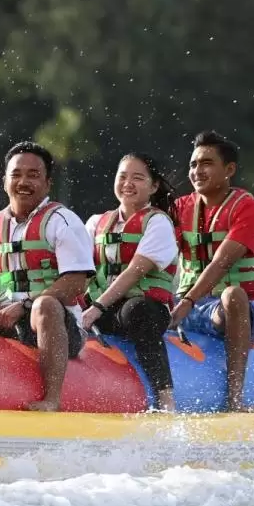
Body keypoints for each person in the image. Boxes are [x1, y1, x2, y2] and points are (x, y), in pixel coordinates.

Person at [0, 142, 93, 412]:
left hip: (56, 324)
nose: (23, 181)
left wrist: (26, 305)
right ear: (4, 181)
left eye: (33, 175)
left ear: (48, 183)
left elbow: (77, 281)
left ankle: (51, 399)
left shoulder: (63, 221)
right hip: (1, 318)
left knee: (45, 305)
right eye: (16, 174)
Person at [169, 130, 254, 412]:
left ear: (229, 169)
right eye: (193, 164)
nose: (197, 171)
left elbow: (221, 262)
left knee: (234, 294)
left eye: (207, 163)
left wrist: (186, 302)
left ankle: (235, 399)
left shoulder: (246, 207)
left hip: (230, 314)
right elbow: (156, 260)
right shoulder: (180, 208)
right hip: (186, 308)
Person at [80, 153, 179, 411]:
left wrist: (96, 308)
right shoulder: (95, 223)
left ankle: (166, 399)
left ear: (154, 186)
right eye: (122, 176)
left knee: (137, 310)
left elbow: (135, 271)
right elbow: (79, 270)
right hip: (104, 311)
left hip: (144, 311)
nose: (128, 183)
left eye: (137, 178)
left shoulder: (157, 223)